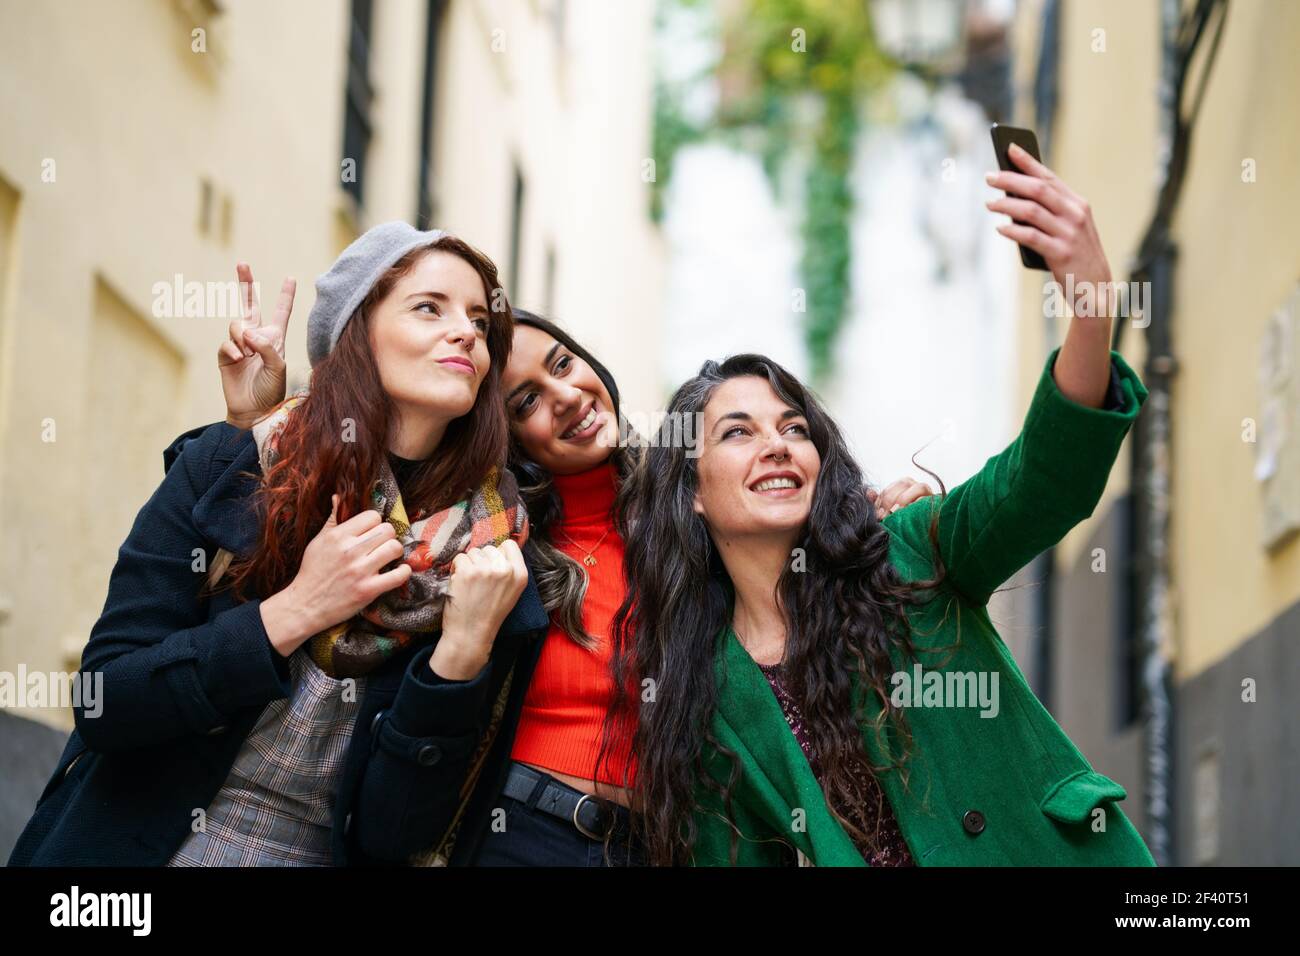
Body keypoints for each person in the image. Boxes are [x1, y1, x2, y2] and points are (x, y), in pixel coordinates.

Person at [609, 143, 1159, 866]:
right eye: (737, 433)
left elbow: (1041, 480)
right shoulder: (705, 687)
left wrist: (1089, 303)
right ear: (693, 495)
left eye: (794, 428)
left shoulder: (911, 547)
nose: (776, 445)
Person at [8, 223, 540, 866]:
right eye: (430, 307)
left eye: (481, 322)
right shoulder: (234, 466)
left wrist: (459, 655)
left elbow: (394, 838)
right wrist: (295, 611)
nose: (466, 333)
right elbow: (106, 699)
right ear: (357, 332)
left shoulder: (492, 556)